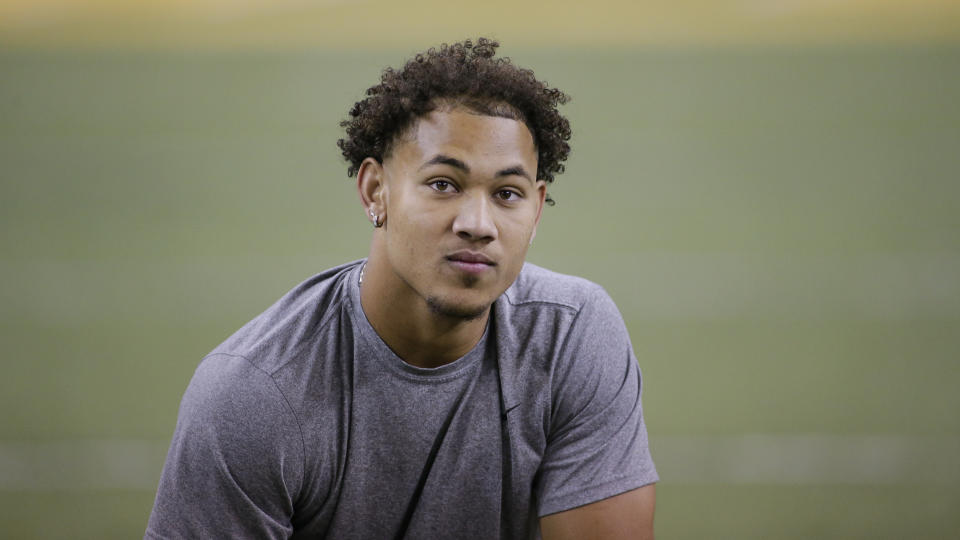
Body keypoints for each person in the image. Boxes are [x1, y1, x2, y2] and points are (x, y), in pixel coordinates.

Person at [146, 37, 657, 539]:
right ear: (376, 190)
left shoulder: (572, 336)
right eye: (443, 184)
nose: (479, 223)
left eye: (507, 194)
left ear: (537, 209)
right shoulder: (255, 395)